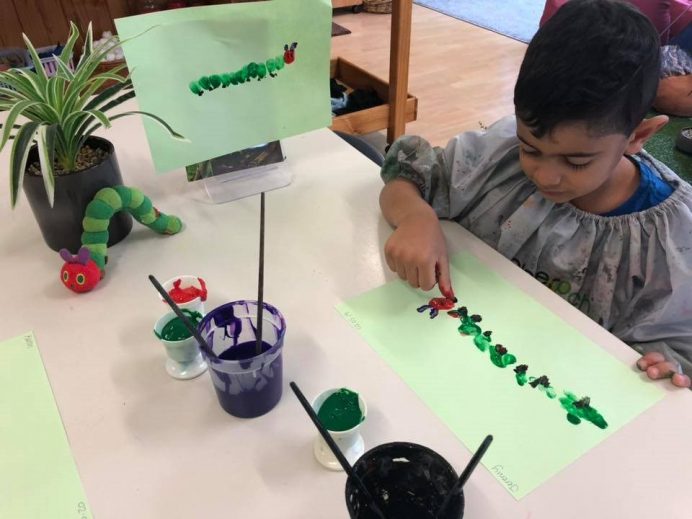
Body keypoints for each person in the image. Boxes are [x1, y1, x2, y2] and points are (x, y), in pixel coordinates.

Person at [379, 0, 692, 388]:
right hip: (444, 366)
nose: (545, 175)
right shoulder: (500, 155)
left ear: (639, 137)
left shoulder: (671, 238)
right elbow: (407, 174)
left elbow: (676, 351)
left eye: (576, 162)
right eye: (531, 148)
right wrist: (415, 216)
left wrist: (667, 366)